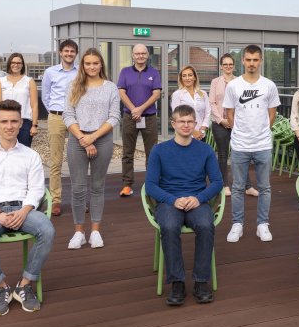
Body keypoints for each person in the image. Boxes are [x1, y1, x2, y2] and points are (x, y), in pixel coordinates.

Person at [0, 100, 55, 316]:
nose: (9, 126)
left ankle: (24, 285)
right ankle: (1, 287)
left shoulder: (31, 155)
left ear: (21, 123)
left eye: (14, 121)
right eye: (4, 121)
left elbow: (36, 189)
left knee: (48, 230)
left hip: (23, 209)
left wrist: (24, 211)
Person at [146, 104, 223, 306]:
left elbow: (217, 182)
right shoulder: (159, 150)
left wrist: (199, 198)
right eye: (182, 121)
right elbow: (150, 185)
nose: (186, 125)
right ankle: (177, 282)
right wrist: (172, 200)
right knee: (170, 227)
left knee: (206, 226)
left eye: (190, 121)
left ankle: (200, 281)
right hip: (169, 201)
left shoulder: (205, 150)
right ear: (173, 124)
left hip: (196, 200)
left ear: (196, 124)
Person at [63, 48, 120, 249]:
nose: (91, 67)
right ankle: (79, 232)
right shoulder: (74, 86)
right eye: (88, 63)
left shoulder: (110, 87)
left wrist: (93, 138)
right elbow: (68, 115)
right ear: (82, 65)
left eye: (95, 63)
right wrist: (82, 138)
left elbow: (114, 116)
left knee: (97, 187)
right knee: (78, 188)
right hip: (77, 140)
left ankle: (95, 231)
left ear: (101, 64)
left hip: (102, 139)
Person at [223, 44, 280, 243]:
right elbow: (229, 113)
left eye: (255, 60)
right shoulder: (233, 86)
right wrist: (239, 130)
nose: (252, 63)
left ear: (261, 61)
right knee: (238, 187)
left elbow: (272, 113)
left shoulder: (269, 85)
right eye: (248, 59)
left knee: (265, 187)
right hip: (240, 144)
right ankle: (237, 224)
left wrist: (262, 130)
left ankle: (262, 224)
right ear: (243, 61)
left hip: (263, 144)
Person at [117, 44, 162, 198]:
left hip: (148, 117)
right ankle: (127, 185)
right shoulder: (125, 72)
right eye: (137, 53)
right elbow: (121, 92)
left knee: (152, 153)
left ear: (147, 55)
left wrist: (141, 109)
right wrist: (133, 109)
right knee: (127, 153)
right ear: (132, 55)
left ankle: (151, 185)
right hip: (130, 117)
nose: (140, 56)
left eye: (143, 53)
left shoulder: (154, 73)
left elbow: (156, 94)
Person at [40, 39, 79, 216]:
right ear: (60, 53)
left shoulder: (81, 73)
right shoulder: (50, 72)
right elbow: (45, 96)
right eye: (66, 51)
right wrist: (55, 113)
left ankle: (78, 199)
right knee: (56, 161)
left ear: (75, 54)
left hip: (78, 118)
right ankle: (56, 200)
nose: (69, 54)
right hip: (56, 117)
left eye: (72, 51)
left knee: (77, 161)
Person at [208, 54, 238, 196]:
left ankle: (245, 184)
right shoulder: (215, 82)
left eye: (230, 64)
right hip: (219, 124)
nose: (228, 66)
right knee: (223, 155)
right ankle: (224, 184)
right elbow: (212, 102)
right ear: (221, 66)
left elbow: (241, 103)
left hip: (236, 124)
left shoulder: (239, 82)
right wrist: (221, 120)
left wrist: (232, 121)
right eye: (225, 64)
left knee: (240, 154)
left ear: (234, 65)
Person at [0, 53, 39, 148]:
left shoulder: (29, 81)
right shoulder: (1, 81)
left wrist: (34, 125)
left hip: (24, 122)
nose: (16, 65)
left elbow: (34, 105)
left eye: (19, 63)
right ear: (9, 64)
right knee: (6, 149)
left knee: (24, 151)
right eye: (13, 62)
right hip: (6, 121)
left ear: (22, 65)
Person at [171, 66, 211, 141]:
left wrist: (202, 130)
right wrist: (193, 132)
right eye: (184, 76)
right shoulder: (177, 94)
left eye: (190, 75)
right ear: (181, 79)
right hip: (184, 134)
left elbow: (208, 112)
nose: (187, 78)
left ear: (195, 77)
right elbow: (176, 116)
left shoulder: (203, 93)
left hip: (201, 134)